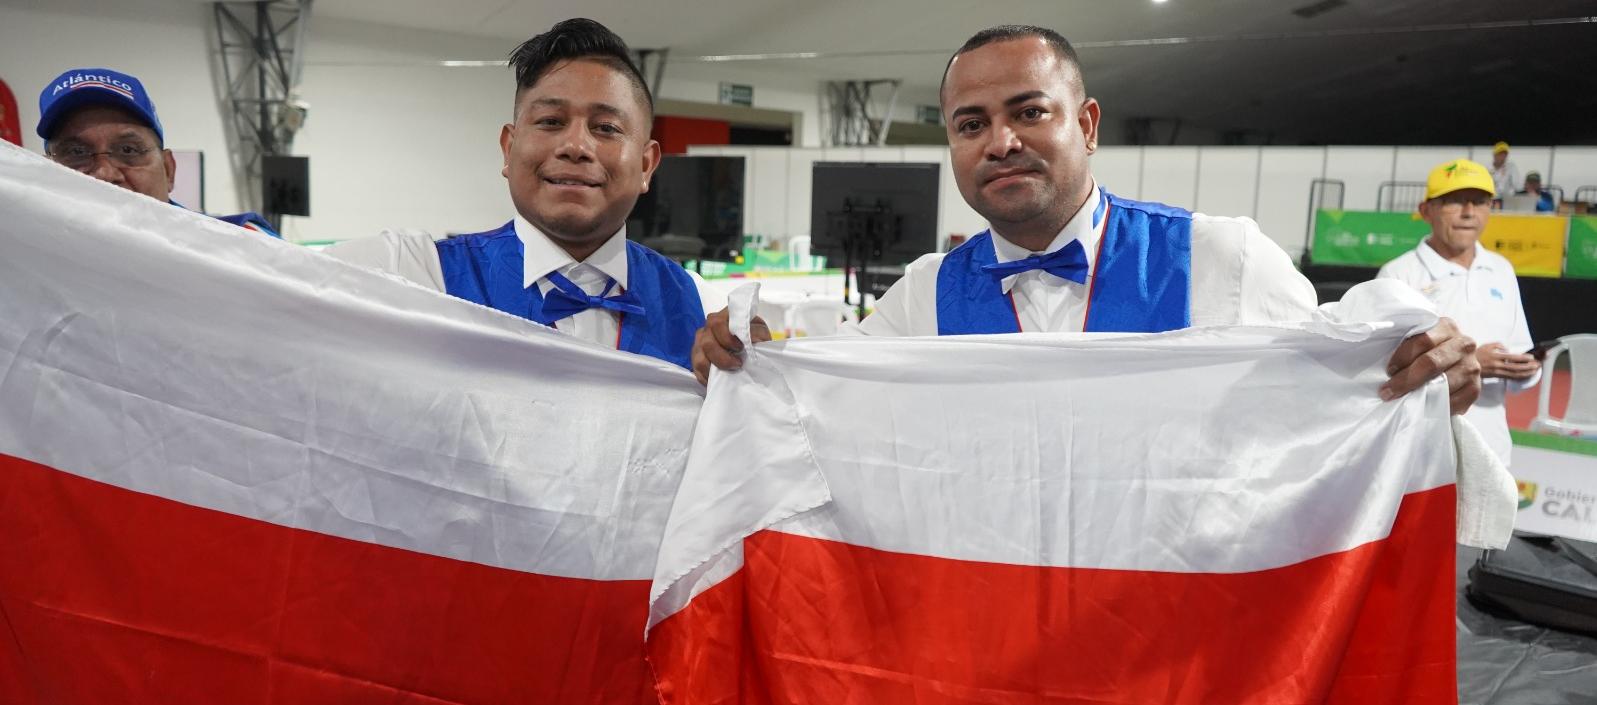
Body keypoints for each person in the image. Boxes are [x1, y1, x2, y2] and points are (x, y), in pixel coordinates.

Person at [694, 25, 1481, 415]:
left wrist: (1423, 373)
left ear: (1089, 124)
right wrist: (742, 359)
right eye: (969, 125)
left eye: (1028, 112)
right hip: (985, 628)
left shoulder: (1222, 259)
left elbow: (1340, 396)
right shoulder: (921, 298)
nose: (999, 141)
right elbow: (816, 404)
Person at [325, 19, 710, 370]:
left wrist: (753, 366)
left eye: (606, 127)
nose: (576, 146)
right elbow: (271, 271)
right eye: (551, 122)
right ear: (509, 149)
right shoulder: (418, 276)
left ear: (646, 165)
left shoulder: (704, 311)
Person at [1379, 159, 1540, 464]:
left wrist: (1525, 370)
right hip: (1419, 459)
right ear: (1426, 210)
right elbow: (1382, 373)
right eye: (1454, 201)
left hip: (1492, 454)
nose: (1469, 212)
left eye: (1480, 202)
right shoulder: (1398, 275)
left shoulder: (1501, 270)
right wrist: (1471, 363)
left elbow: (1518, 352)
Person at [36, 67, 278, 237]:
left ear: (168, 170)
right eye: (76, 152)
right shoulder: (20, 263)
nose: (104, 174)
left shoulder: (244, 247)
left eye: (128, 150)